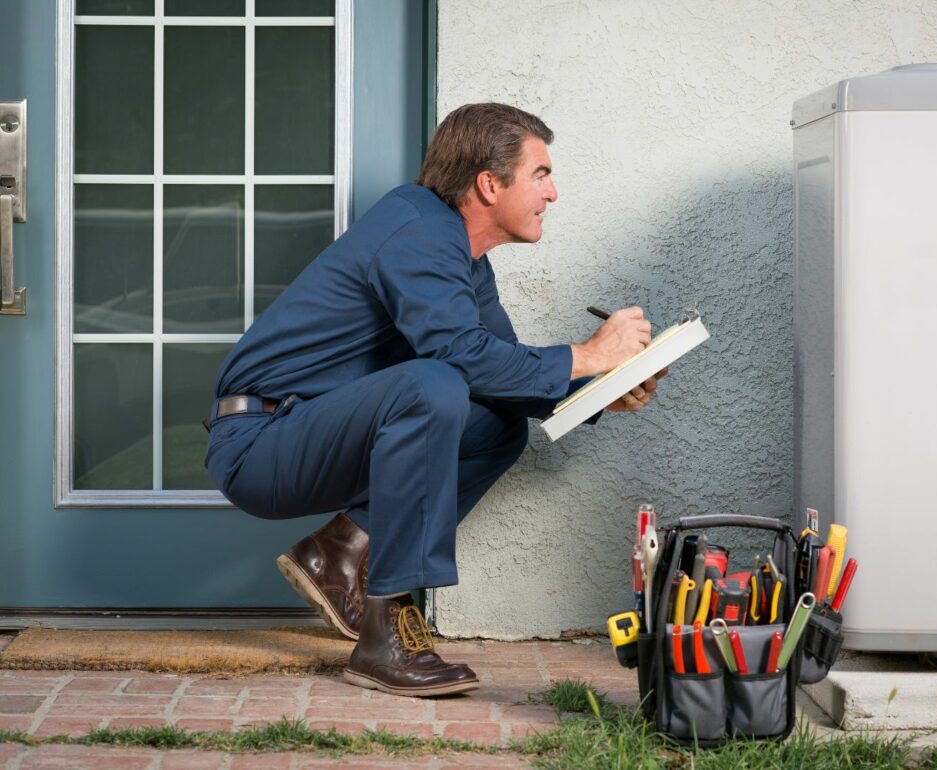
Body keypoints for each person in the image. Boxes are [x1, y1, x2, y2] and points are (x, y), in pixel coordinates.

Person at [205, 103, 665, 698]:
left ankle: (339, 555)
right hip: (260, 442)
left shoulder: (464, 260)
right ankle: (383, 636)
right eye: (541, 174)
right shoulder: (417, 226)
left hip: (306, 430)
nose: (553, 193)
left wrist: (603, 392)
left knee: (498, 425)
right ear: (489, 184)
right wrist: (590, 353)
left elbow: (503, 375)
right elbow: (461, 357)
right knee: (436, 383)